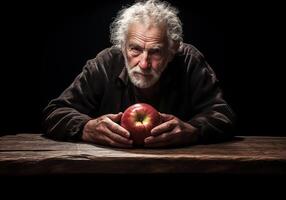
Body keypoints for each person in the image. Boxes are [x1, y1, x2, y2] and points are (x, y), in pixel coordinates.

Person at [43, 0, 235, 148]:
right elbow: (55, 112)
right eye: (135, 49)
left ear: (172, 50)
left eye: (156, 51)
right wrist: (85, 128)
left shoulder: (189, 61)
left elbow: (223, 116)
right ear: (122, 46)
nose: (144, 64)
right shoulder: (105, 63)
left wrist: (193, 131)